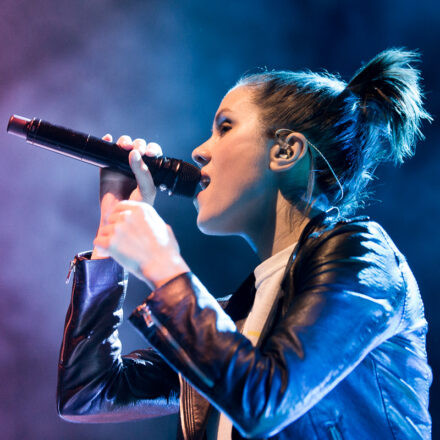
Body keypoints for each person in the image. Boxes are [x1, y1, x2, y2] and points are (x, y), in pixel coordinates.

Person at [57, 49, 433, 439]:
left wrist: (164, 267)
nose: (199, 151)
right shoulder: (233, 318)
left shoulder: (363, 256)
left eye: (225, 127)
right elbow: (89, 393)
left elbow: (266, 400)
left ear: (286, 151)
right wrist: (110, 237)